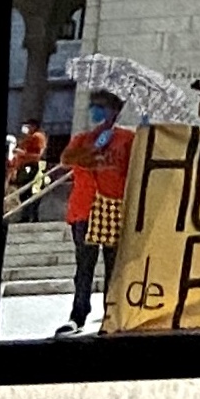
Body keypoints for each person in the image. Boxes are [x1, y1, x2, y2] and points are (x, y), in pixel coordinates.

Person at [53, 90, 134, 338]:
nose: (95, 111)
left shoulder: (127, 139)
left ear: (114, 111)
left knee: (114, 267)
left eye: (101, 107)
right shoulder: (83, 138)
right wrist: (95, 146)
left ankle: (110, 316)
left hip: (114, 208)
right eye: (94, 106)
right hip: (84, 209)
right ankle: (78, 316)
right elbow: (66, 159)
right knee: (84, 267)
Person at [5, 117, 48, 222]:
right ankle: (26, 216)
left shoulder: (37, 137)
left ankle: (31, 216)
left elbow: (38, 155)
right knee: (24, 193)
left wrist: (22, 153)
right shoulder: (28, 138)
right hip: (24, 166)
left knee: (30, 192)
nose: (25, 129)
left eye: (28, 126)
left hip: (31, 166)